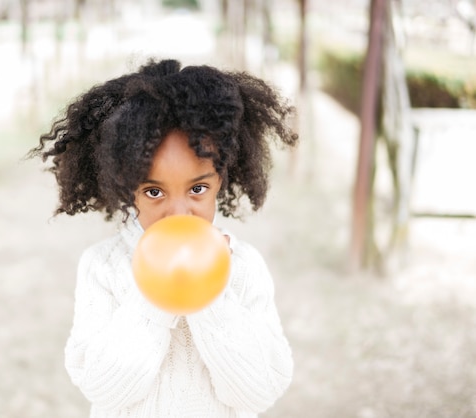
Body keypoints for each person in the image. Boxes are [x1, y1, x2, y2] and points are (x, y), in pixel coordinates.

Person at [30, 58, 298, 417]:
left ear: (221, 181)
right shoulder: (103, 268)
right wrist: (155, 291)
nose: (178, 213)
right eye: (154, 192)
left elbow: (260, 391)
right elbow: (100, 388)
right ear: (127, 188)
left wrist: (208, 292)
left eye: (198, 188)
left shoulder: (244, 267)